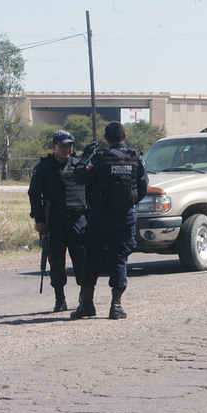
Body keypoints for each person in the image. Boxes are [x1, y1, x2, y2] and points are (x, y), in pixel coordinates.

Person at [70, 122, 148, 319]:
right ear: (125, 135)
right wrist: (127, 204)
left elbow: (78, 176)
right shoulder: (136, 158)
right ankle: (116, 306)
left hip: (99, 216)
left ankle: (87, 304)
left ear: (106, 138)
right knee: (119, 259)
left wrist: (85, 156)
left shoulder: (98, 158)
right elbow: (143, 188)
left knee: (92, 258)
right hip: (125, 216)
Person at [28, 130, 88, 312]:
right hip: (54, 222)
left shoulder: (80, 166)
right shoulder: (44, 168)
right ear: (54, 146)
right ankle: (60, 298)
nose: (66, 149)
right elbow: (34, 194)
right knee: (56, 262)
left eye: (69, 146)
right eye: (62, 146)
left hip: (78, 220)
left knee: (82, 261)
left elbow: (91, 191)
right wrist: (39, 220)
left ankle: (85, 298)